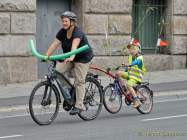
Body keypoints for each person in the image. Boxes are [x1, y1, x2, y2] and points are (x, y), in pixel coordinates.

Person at [45, 11, 94, 115]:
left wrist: (72, 56)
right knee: (57, 71)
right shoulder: (62, 32)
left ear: (72, 22)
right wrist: (46, 55)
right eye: (63, 21)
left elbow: (74, 46)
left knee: (79, 81)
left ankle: (79, 105)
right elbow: (55, 44)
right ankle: (71, 90)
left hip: (82, 58)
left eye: (66, 21)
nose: (63, 23)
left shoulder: (77, 32)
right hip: (70, 57)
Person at [116, 43, 146, 108]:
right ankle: (125, 90)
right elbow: (128, 67)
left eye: (133, 49)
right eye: (130, 49)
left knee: (129, 85)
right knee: (118, 73)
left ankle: (137, 100)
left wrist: (129, 64)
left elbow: (136, 62)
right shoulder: (130, 56)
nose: (131, 51)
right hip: (130, 74)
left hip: (136, 76)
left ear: (138, 49)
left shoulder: (140, 57)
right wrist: (124, 70)